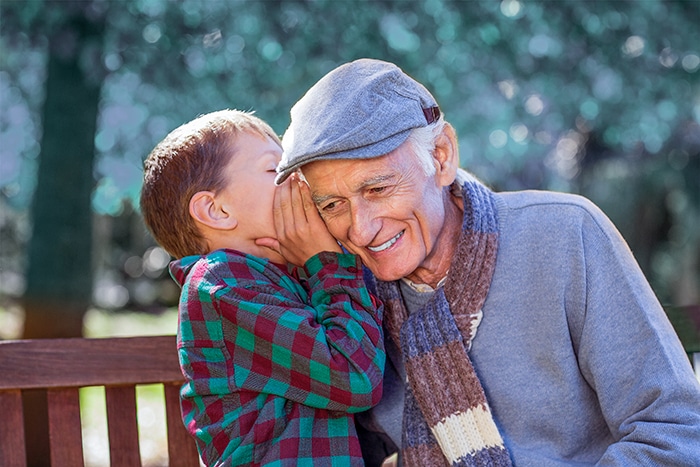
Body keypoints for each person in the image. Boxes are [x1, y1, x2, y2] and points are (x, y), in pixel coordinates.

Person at [274, 59, 700, 466]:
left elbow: (674, 431)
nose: (361, 230)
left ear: (441, 157)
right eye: (332, 205)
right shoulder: (348, 306)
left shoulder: (564, 235)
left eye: (378, 189)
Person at [139, 109, 385, 466]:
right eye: (276, 169)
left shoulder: (288, 277)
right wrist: (327, 261)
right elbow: (354, 375)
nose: (298, 178)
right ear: (216, 210)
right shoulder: (221, 283)